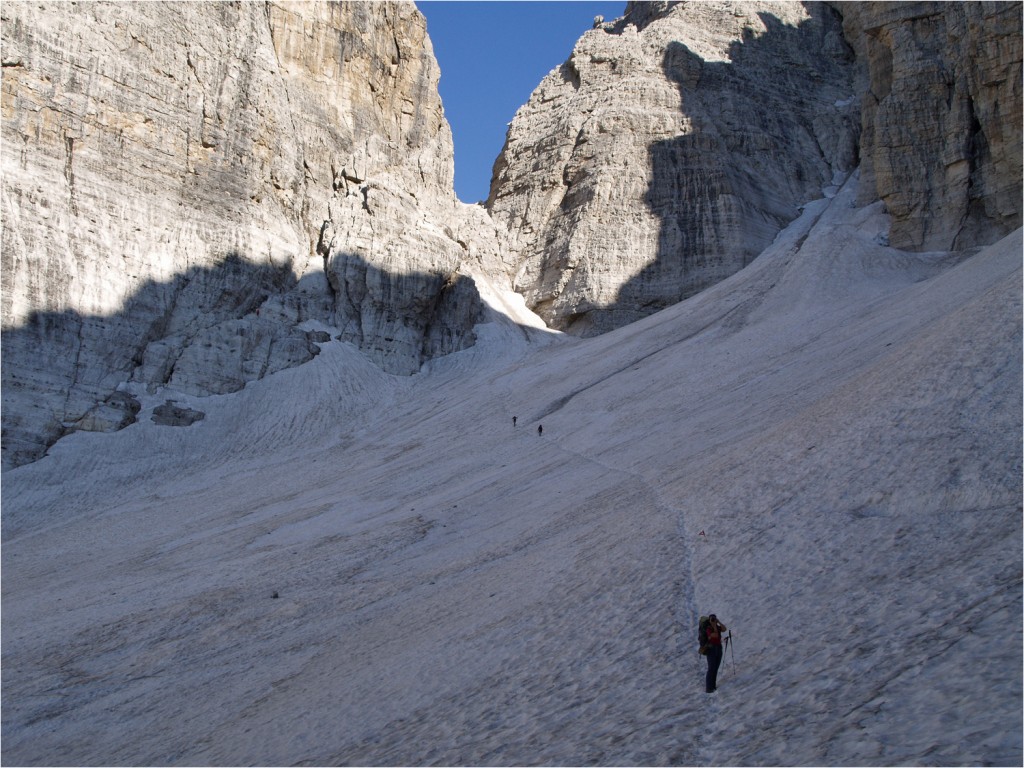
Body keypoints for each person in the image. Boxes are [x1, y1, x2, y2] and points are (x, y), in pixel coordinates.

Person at [703, 614, 728, 693]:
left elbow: (724, 629)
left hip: (718, 648)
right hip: (711, 649)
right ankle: (708, 688)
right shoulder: (708, 628)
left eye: (714, 619)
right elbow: (715, 635)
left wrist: (719, 622)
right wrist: (714, 626)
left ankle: (713, 686)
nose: (713, 620)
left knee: (716, 667)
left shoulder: (717, 627)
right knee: (711, 668)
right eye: (712, 619)